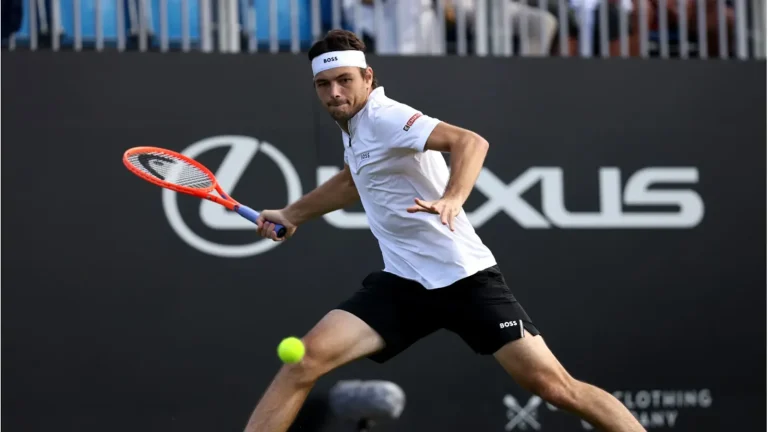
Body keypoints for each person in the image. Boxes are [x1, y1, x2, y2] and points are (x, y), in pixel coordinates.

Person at [243, 29, 646, 432]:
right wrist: (292, 214)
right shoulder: (355, 126)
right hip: (404, 283)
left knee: (555, 388)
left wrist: (452, 198)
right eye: (323, 84)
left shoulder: (385, 117)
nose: (334, 93)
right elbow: (351, 181)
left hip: (463, 277)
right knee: (304, 361)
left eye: (344, 80)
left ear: (367, 77)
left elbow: (470, 142)